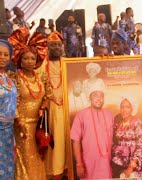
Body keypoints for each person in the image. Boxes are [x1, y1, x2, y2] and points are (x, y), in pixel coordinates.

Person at [8, 27, 49, 179]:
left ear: (37, 59)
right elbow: (13, 102)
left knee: (38, 158)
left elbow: (46, 97)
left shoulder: (40, 78)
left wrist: (44, 105)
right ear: (20, 59)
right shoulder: (15, 78)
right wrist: (18, 122)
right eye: (26, 58)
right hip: (22, 126)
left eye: (32, 58)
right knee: (25, 158)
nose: (29, 61)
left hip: (39, 127)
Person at [37, 31, 67, 179]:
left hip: (66, 107)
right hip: (49, 108)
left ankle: (66, 168)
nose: (56, 47)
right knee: (52, 140)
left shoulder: (68, 63)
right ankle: (52, 171)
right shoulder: (42, 64)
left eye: (58, 45)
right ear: (47, 47)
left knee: (65, 139)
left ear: (62, 47)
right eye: (52, 45)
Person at [71, 86, 114, 179]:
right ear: (89, 98)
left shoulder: (109, 114)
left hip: (107, 164)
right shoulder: (81, 115)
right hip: (88, 164)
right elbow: (75, 141)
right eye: (95, 95)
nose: (99, 99)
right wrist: (79, 164)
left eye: (101, 96)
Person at [112, 96, 142, 178]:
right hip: (120, 161)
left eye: (127, 107)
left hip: (134, 162)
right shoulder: (118, 123)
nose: (124, 110)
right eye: (122, 107)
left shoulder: (137, 122)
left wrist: (131, 167)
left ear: (132, 108)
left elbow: (141, 146)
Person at [0, 39, 17, 179]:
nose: (3, 57)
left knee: (8, 169)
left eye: (6, 54)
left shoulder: (9, 79)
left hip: (9, 133)